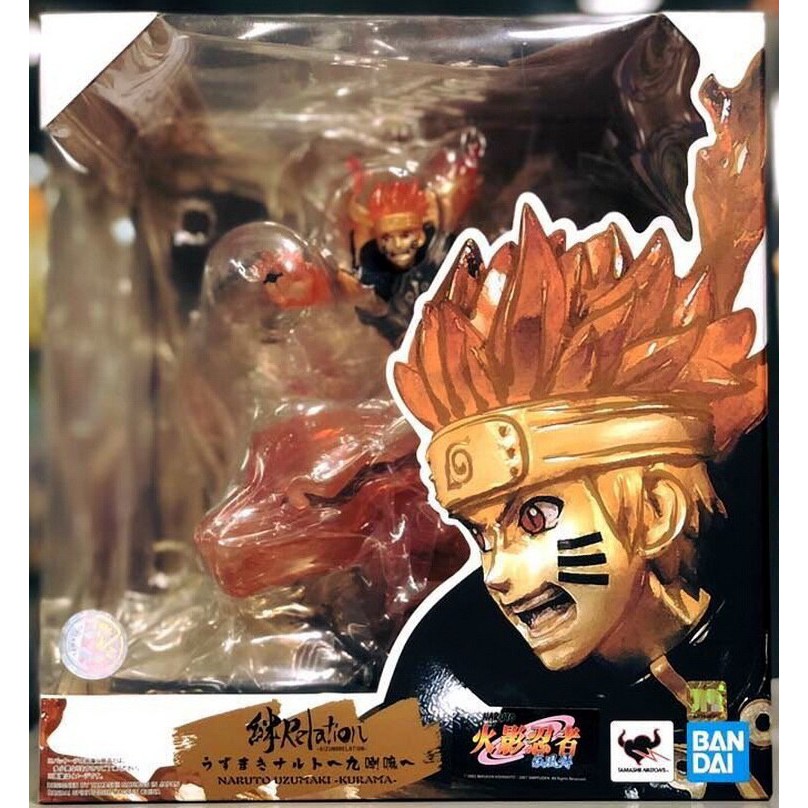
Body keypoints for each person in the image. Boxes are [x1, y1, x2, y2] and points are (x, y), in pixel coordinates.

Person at [389, 54, 771, 800]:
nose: (496, 573)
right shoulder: (459, 677)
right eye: (484, 534)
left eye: (533, 517)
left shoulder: (760, 581)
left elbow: (716, 754)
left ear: (655, 510)